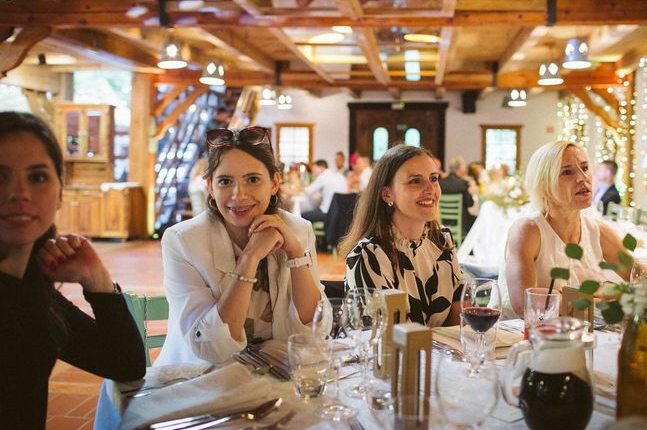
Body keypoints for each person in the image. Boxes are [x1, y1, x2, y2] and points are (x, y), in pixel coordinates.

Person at [0, 112, 145, 429]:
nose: (19, 193)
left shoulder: (31, 289)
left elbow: (126, 363)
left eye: (37, 177)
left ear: (60, 194)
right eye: (0, 176)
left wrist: (97, 280)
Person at [159, 126, 325, 365]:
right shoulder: (183, 240)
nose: (238, 195)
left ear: (275, 182)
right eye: (225, 181)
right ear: (210, 186)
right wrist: (250, 257)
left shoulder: (298, 229)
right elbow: (211, 348)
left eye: (253, 179)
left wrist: (296, 253)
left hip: (277, 371)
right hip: (202, 376)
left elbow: (314, 327)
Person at [503, 141, 639, 318]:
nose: (583, 178)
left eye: (585, 167)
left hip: (581, 335)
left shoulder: (597, 230)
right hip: (521, 339)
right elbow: (526, 304)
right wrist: (603, 293)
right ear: (544, 184)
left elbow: (639, 275)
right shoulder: (527, 230)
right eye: (567, 172)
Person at [341, 145, 462, 326]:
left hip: (442, 353)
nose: (431, 189)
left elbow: (458, 316)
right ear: (387, 194)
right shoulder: (369, 256)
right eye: (415, 181)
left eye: (434, 178)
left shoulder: (441, 239)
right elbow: (386, 339)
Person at [299, 157, 348, 225]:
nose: (313, 172)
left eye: (314, 169)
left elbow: (307, 191)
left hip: (327, 213)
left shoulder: (323, 176)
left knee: (301, 215)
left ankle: (310, 235)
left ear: (322, 167)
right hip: (342, 214)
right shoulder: (340, 176)